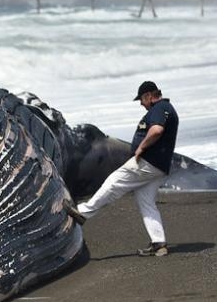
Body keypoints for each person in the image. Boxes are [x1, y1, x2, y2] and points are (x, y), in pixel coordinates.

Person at [75, 81, 179, 257]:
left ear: (149, 96)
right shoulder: (166, 108)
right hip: (159, 166)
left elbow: (156, 130)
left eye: (141, 99)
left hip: (148, 162)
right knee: (145, 201)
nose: (141, 104)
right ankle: (159, 243)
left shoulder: (160, 108)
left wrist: (141, 148)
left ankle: (83, 213)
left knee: (114, 182)